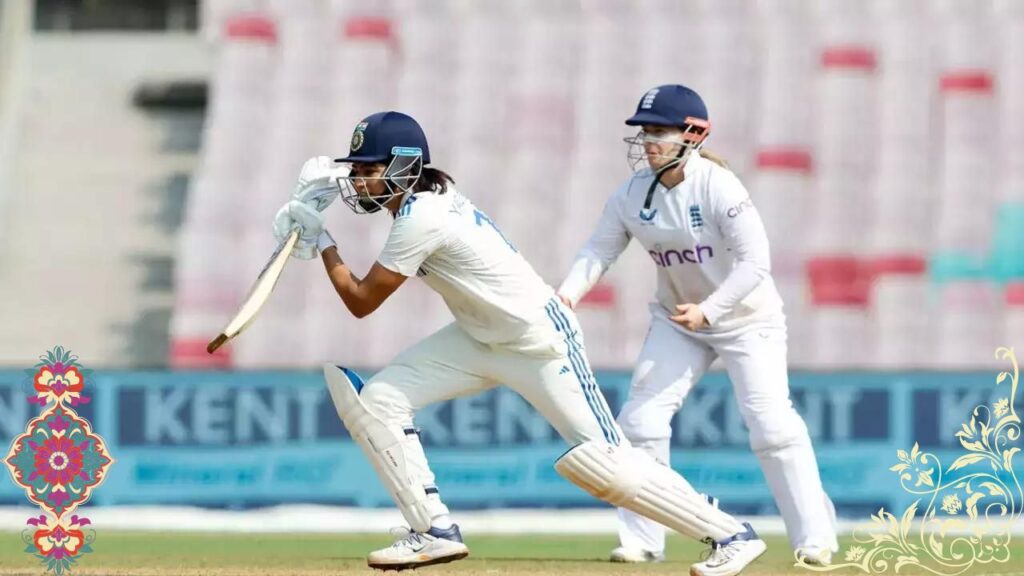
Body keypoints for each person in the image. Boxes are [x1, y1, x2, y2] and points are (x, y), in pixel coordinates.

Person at [273, 110, 767, 575]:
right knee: (378, 401)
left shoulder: (422, 218)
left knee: (604, 464)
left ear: (404, 166)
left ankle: (733, 535)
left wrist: (322, 241)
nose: (358, 182)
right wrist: (320, 213)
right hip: (478, 337)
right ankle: (433, 530)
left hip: (538, 341)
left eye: (368, 169)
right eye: (355, 170)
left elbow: (361, 302)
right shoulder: (419, 202)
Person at [557, 85, 838, 566]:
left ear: (694, 134)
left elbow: (756, 263)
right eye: (645, 132)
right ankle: (645, 539)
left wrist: (711, 310)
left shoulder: (718, 186)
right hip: (677, 320)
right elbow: (598, 251)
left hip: (747, 319)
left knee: (771, 428)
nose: (648, 142)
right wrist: (564, 298)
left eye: (659, 132)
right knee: (640, 423)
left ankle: (815, 539)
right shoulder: (630, 195)